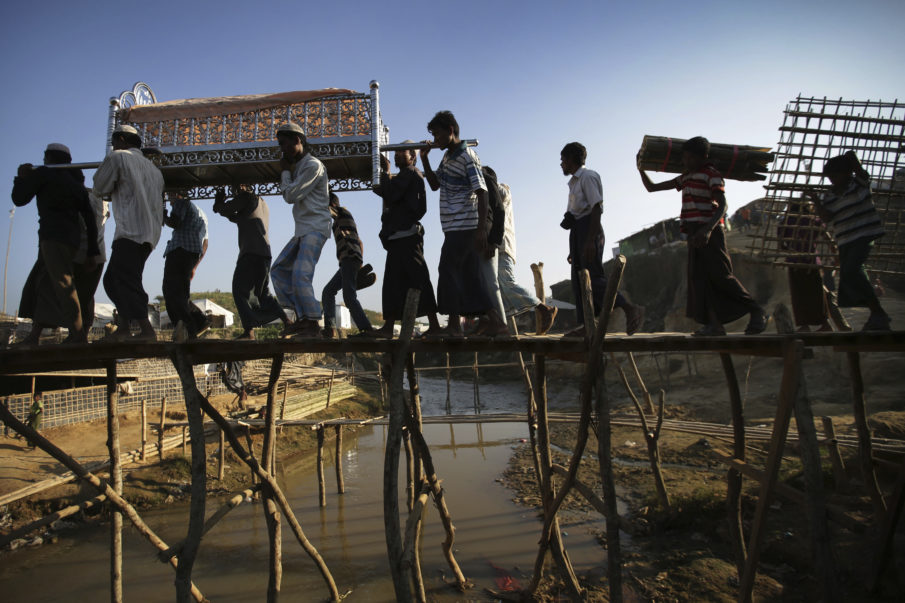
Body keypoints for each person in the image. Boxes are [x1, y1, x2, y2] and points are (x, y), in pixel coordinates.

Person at [638, 136, 767, 336]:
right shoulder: (686, 177)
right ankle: (715, 325)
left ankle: (757, 311)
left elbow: (723, 206)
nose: (685, 162)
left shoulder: (711, 174)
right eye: (684, 158)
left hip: (710, 232)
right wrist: (641, 169)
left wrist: (707, 230)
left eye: (690, 158)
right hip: (693, 234)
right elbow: (652, 188)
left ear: (703, 157)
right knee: (700, 280)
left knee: (722, 276)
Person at [419, 111, 507, 337]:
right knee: (470, 276)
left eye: (438, 134)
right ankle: (496, 321)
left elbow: (482, 191)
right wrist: (425, 159)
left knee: (447, 271)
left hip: (465, 225)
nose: (435, 139)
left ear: (450, 130)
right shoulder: (447, 157)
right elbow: (434, 184)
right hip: (453, 227)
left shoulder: (468, 155)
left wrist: (480, 230)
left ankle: (454, 326)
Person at [13, 143, 99, 345]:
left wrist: (21, 178)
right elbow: (90, 221)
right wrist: (91, 252)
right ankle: (35, 336)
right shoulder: (75, 185)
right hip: (71, 240)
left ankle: (78, 334)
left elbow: (19, 199)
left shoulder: (44, 174)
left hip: (52, 238)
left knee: (62, 283)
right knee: (45, 283)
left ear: (49, 158)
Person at [560, 142, 643, 336]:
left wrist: (590, 240)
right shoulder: (574, 182)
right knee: (579, 281)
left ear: (571, 158)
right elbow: (578, 212)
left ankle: (630, 308)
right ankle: (587, 325)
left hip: (590, 228)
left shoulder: (588, 177)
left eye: (563, 159)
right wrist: (575, 247)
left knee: (593, 278)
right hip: (579, 231)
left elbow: (596, 208)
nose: (562, 164)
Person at [93, 124, 165, 342]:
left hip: (130, 231)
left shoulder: (119, 157)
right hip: (150, 233)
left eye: (115, 142)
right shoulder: (155, 171)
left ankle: (146, 330)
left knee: (124, 280)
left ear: (122, 140)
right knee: (114, 280)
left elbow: (99, 188)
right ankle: (124, 328)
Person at [806, 151, 890, 331]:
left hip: (864, 235)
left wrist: (848, 160)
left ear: (847, 172)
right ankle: (877, 314)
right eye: (829, 177)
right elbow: (826, 217)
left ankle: (878, 313)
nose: (831, 180)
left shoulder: (859, 184)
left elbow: (852, 156)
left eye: (835, 175)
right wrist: (815, 200)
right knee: (852, 274)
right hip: (844, 240)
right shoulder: (829, 195)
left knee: (852, 270)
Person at [372, 146, 441, 338]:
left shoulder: (410, 173)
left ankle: (433, 324)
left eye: (402, 153)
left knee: (417, 279)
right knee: (396, 282)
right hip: (399, 236)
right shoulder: (405, 176)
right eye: (395, 154)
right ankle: (390, 326)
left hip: (406, 236)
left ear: (413, 158)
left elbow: (390, 192)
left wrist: (385, 171)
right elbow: (385, 191)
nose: (396, 156)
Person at [270, 123, 331, 338]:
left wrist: (285, 172)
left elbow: (290, 196)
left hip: (315, 227)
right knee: (278, 269)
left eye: (284, 144)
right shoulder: (302, 166)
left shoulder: (312, 166)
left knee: (300, 275)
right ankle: (303, 317)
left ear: (298, 140)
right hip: (303, 229)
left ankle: (312, 323)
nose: (282, 150)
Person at [213, 185, 290, 340]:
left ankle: (249, 331)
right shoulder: (261, 202)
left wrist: (219, 202)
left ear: (243, 186)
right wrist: (223, 209)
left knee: (239, 290)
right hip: (264, 254)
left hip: (251, 253)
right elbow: (237, 217)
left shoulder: (246, 197)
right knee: (262, 293)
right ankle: (287, 321)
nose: (234, 191)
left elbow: (224, 209)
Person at [493, 173, 558, 334]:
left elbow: (498, 192)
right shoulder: (494, 196)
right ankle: (495, 321)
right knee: (496, 286)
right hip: (496, 246)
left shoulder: (502, 190)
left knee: (507, 282)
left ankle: (544, 308)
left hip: (503, 246)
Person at [321, 192, 374, 338]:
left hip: (349, 260)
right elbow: (360, 242)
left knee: (349, 296)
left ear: (332, 204)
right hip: (351, 260)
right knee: (328, 291)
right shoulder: (345, 218)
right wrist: (360, 264)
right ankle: (330, 329)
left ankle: (367, 328)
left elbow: (324, 208)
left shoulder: (341, 212)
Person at [162, 192, 210, 341]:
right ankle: (196, 323)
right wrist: (195, 265)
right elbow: (205, 243)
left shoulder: (181, 203)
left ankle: (186, 328)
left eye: (169, 196)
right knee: (181, 293)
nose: (169, 200)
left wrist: (162, 214)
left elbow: (174, 222)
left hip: (180, 250)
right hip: (191, 253)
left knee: (170, 291)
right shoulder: (200, 213)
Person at [777, 198, 831, 332]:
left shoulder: (785, 222)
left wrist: (791, 248)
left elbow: (781, 245)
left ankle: (804, 325)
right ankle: (825, 324)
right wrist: (834, 252)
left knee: (799, 295)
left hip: (796, 263)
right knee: (817, 294)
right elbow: (827, 238)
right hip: (812, 261)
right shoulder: (814, 220)